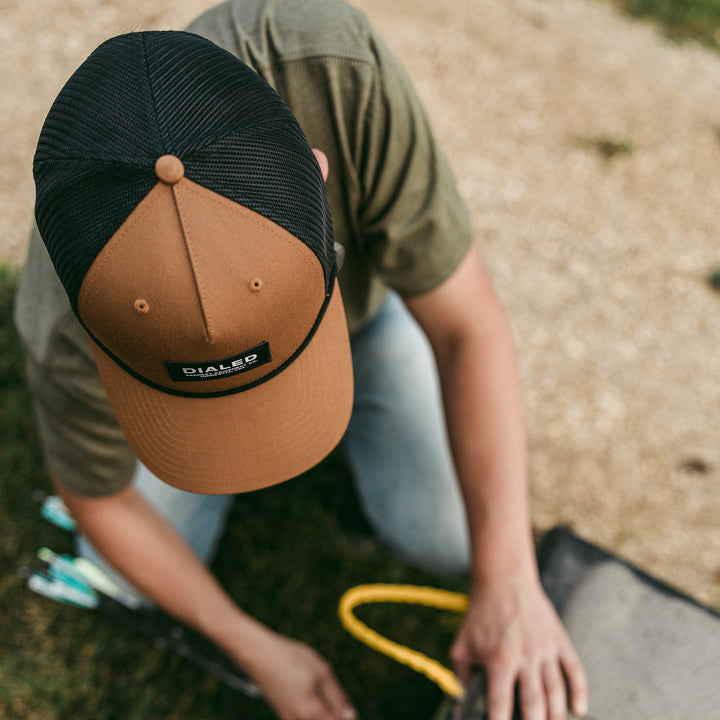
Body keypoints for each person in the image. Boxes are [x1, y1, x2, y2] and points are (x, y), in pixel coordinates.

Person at [14, 2, 588, 719]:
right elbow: (97, 500)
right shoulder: (65, 319)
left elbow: (468, 323)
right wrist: (254, 644)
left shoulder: (336, 68)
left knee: (453, 538)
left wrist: (510, 583)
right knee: (118, 571)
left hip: (364, 326)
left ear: (316, 173)